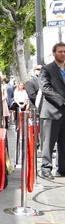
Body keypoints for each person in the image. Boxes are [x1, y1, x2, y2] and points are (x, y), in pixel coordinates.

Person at [38, 42, 65, 180]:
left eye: (64, 51)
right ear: (54, 53)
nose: (63, 54)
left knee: (64, 142)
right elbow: (46, 89)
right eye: (60, 51)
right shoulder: (46, 69)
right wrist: (62, 101)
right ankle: (46, 168)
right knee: (48, 142)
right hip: (51, 111)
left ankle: (62, 168)